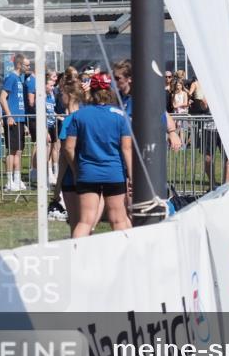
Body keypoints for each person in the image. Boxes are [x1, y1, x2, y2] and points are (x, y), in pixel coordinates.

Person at [64, 73, 132, 238]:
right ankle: (128, 257)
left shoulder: (79, 115)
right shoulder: (120, 116)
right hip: (114, 173)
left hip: (87, 173)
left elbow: (68, 147)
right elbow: (126, 149)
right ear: (109, 90)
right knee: (119, 220)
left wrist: (76, 169)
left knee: (85, 221)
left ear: (91, 91)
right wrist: (131, 175)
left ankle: (76, 257)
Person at [112, 59, 182, 151]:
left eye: (118, 78)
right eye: (113, 78)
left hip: (143, 146)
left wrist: (172, 133)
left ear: (130, 78)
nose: (114, 81)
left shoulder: (143, 97)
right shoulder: (115, 97)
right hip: (123, 146)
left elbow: (162, 113)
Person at [52, 78, 85, 235]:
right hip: (87, 174)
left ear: (70, 95)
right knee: (85, 222)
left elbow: (65, 154)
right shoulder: (86, 117)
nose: (60, 97)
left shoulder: (69, 121)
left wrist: (57, 185)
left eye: (62, 93)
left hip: (72, 179)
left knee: (76, 223)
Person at [0, 53, 27, 191]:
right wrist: (9, 116)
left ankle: (17, 178)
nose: (28, 67)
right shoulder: (11, 77)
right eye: (26, 65)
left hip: (20, 119)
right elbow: (2, 97)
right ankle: (9, 181)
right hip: (13, 119)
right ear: (19, 64)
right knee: (12, 150)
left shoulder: (20, 79)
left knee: (19, 151)